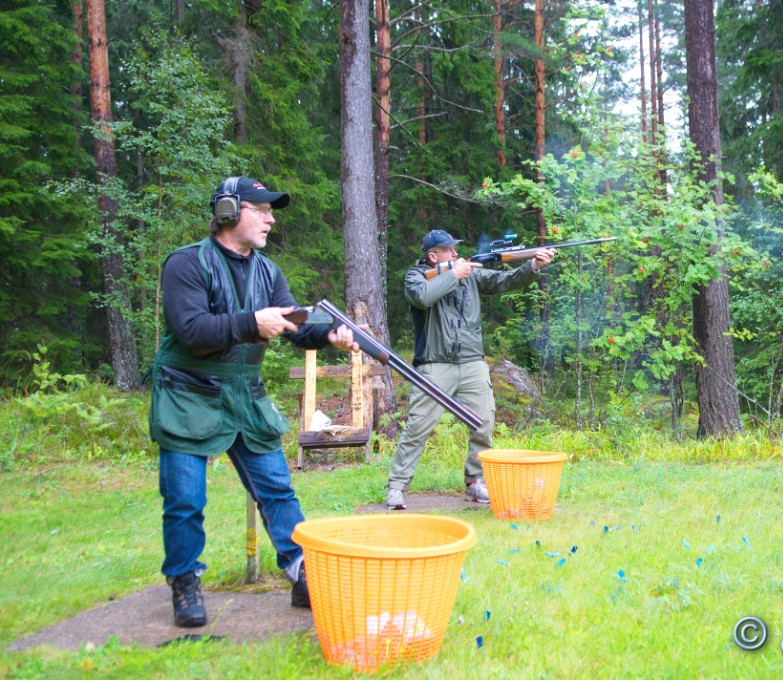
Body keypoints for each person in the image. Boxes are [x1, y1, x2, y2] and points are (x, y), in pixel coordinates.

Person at [149, 176, 358, 628]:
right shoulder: (185, 263)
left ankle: (302, 572)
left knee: (278, 490)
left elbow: (293, 324)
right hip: (189, 393)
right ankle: (184, 581)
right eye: (260, 208)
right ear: (228, 211)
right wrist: (251, 323)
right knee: (185, 499)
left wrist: (329, 335)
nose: (270, 217)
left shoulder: (268, 271)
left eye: (271, 209)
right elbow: (191, 331)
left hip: (245, 395)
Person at [386, 229, 555, 509]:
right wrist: (454, 274)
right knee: (418, 425)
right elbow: (422, 298)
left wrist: (533, 265)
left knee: (484, 420)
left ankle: (475, 482)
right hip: (434, 363)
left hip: (472, 362)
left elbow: (506, 280)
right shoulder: (416, 276)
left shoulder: (470, 274)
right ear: (433, 256)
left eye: (455, 249)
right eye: (449, 250)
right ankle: (396, 486)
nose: (455, 253)